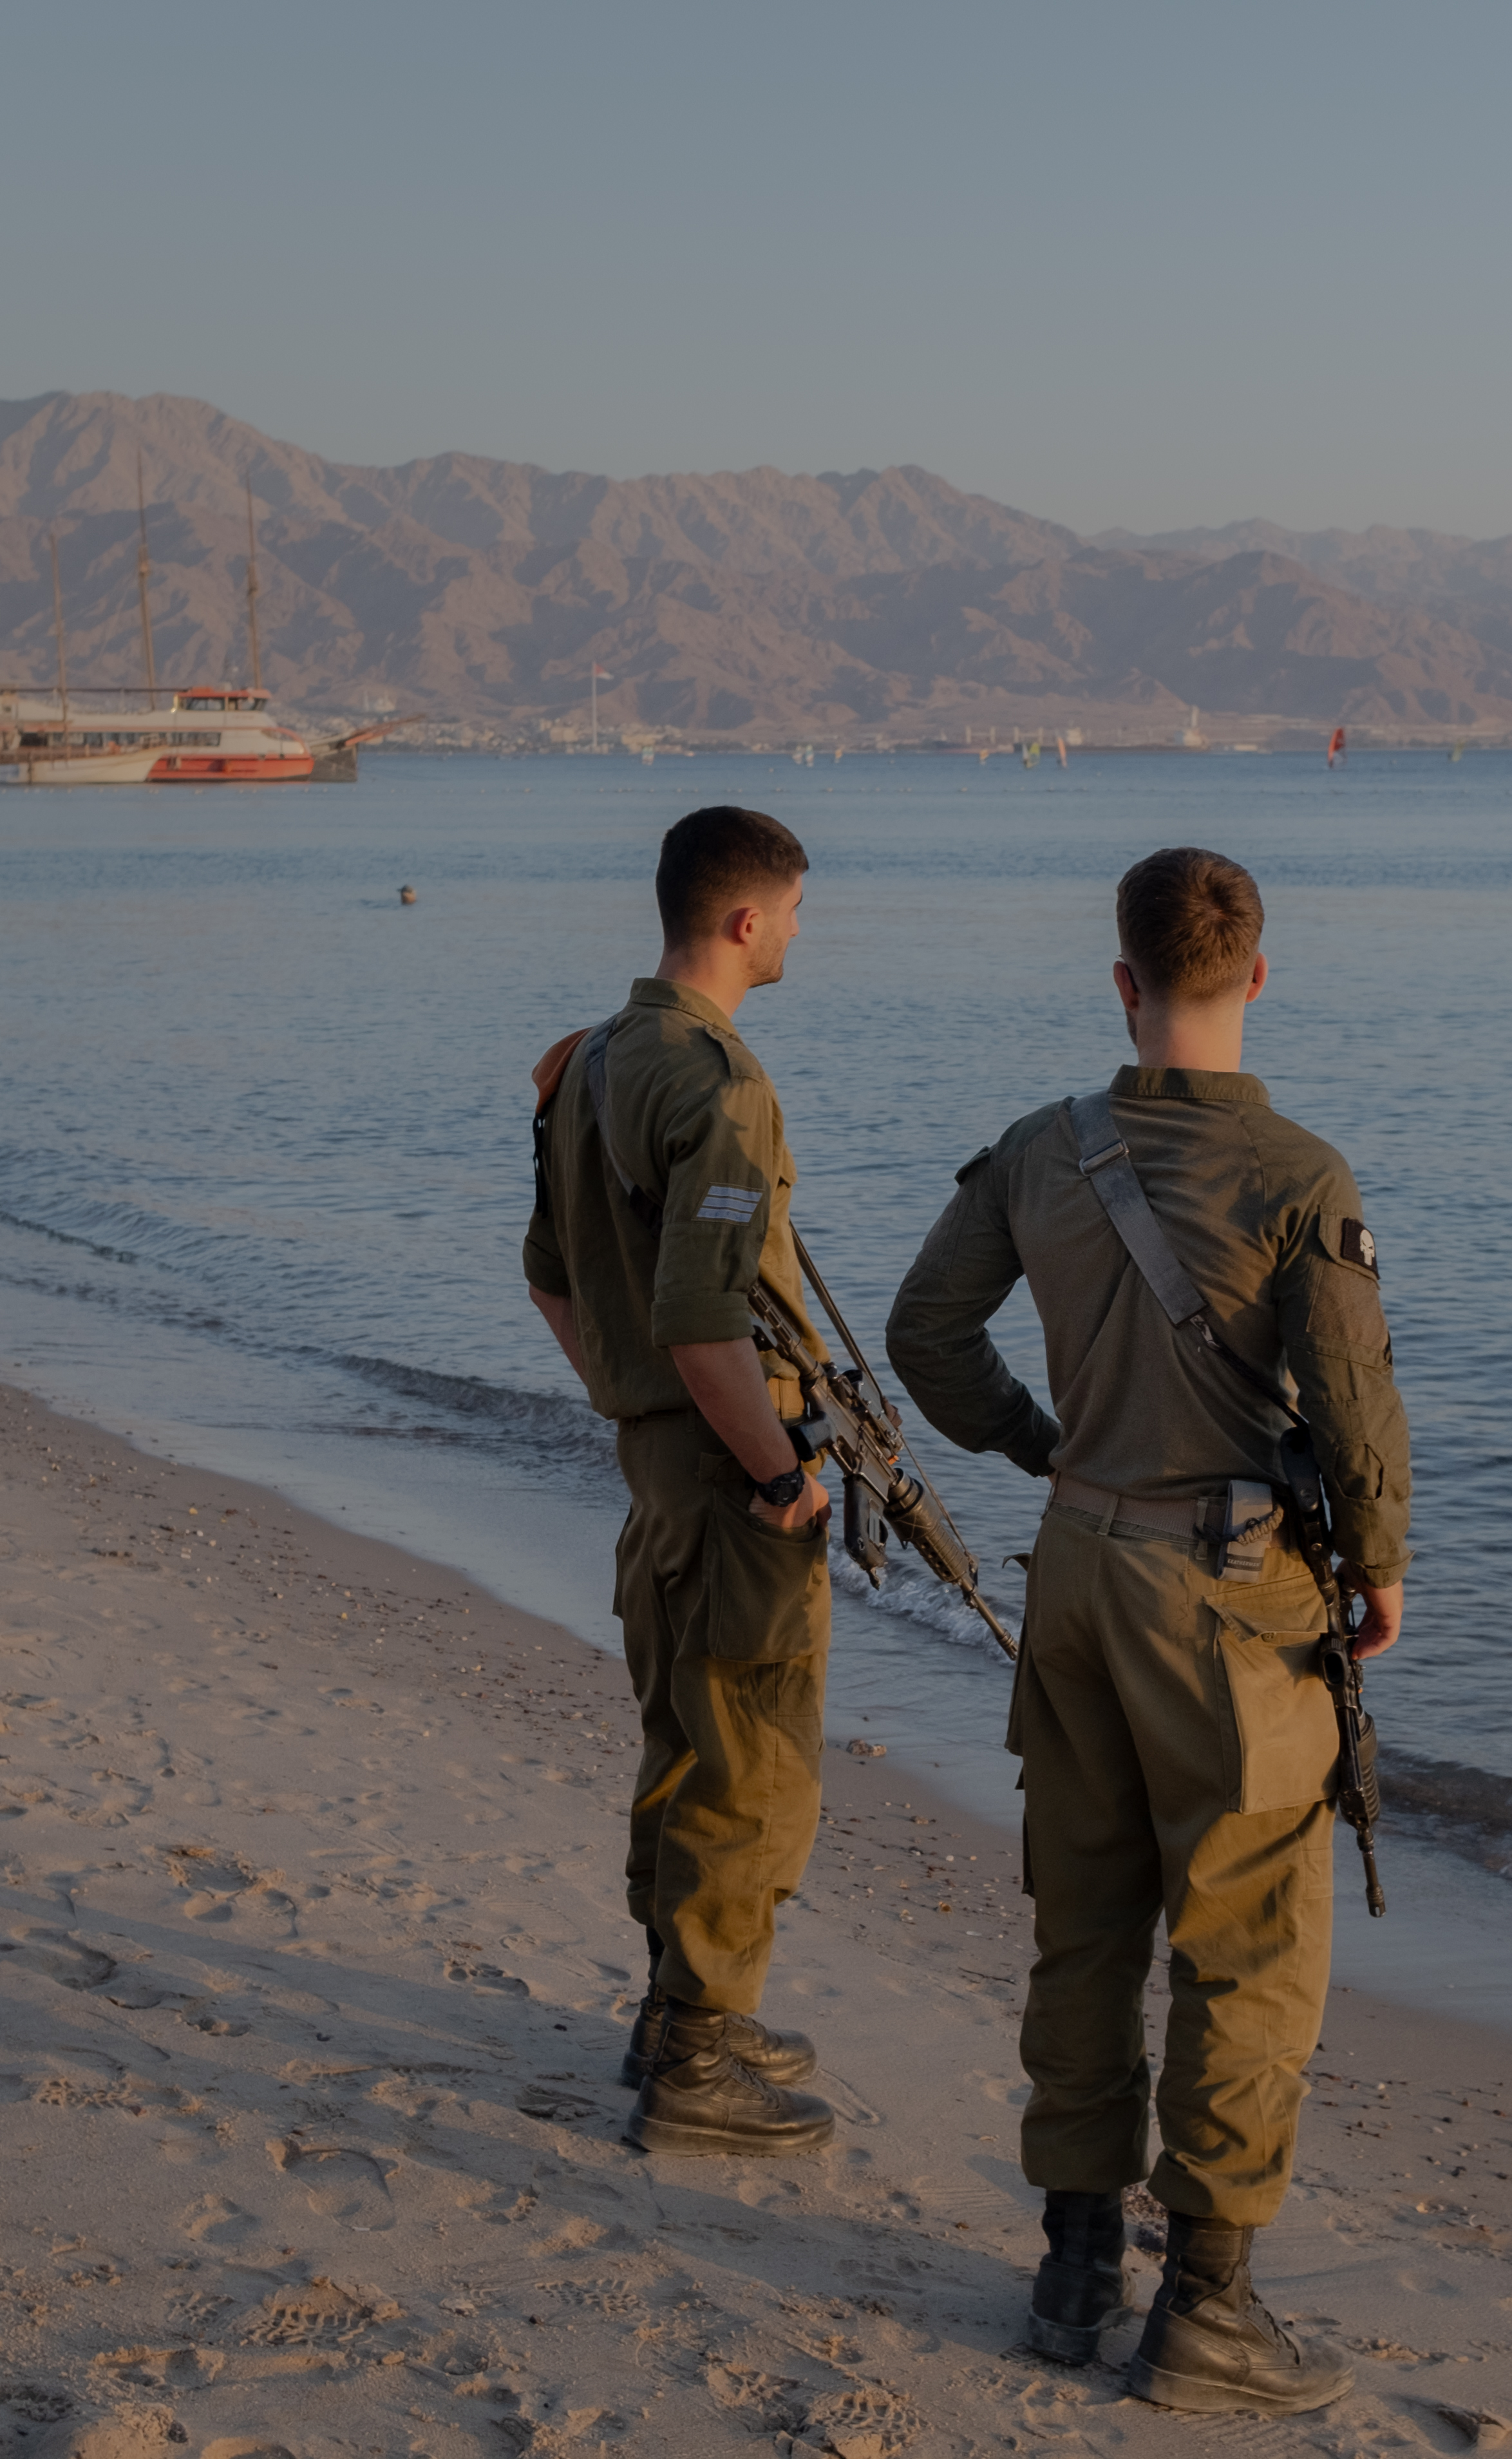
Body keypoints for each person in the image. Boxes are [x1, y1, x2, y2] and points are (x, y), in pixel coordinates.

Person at [885, 846, 1412, 2414]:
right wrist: (1379, 1562)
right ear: (1258, 976)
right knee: (1246, 1947)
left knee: (1086, 1916)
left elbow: (924, 1332)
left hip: (1076, 1566)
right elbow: (1352, 1406)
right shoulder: (1298, 1175)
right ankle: (1205, 2305)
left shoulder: (1040, 1150)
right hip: (1230, 1600)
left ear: (1120, 980)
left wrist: (1036, 1443)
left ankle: (1070, 2268)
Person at [524, 804, 845, 2158]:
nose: (796, 936)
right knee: (750, 1758)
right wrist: (778, 1472)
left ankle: (676, 2014)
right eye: (793, 914)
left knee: (684, 1735)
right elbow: (708, 1321)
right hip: (724, 1462)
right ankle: (699, 2058)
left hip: (657, 1457)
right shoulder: (717, 1084)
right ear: (744, 919)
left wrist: (628, 1392)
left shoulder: (589, 1061)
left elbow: (550, 1280)